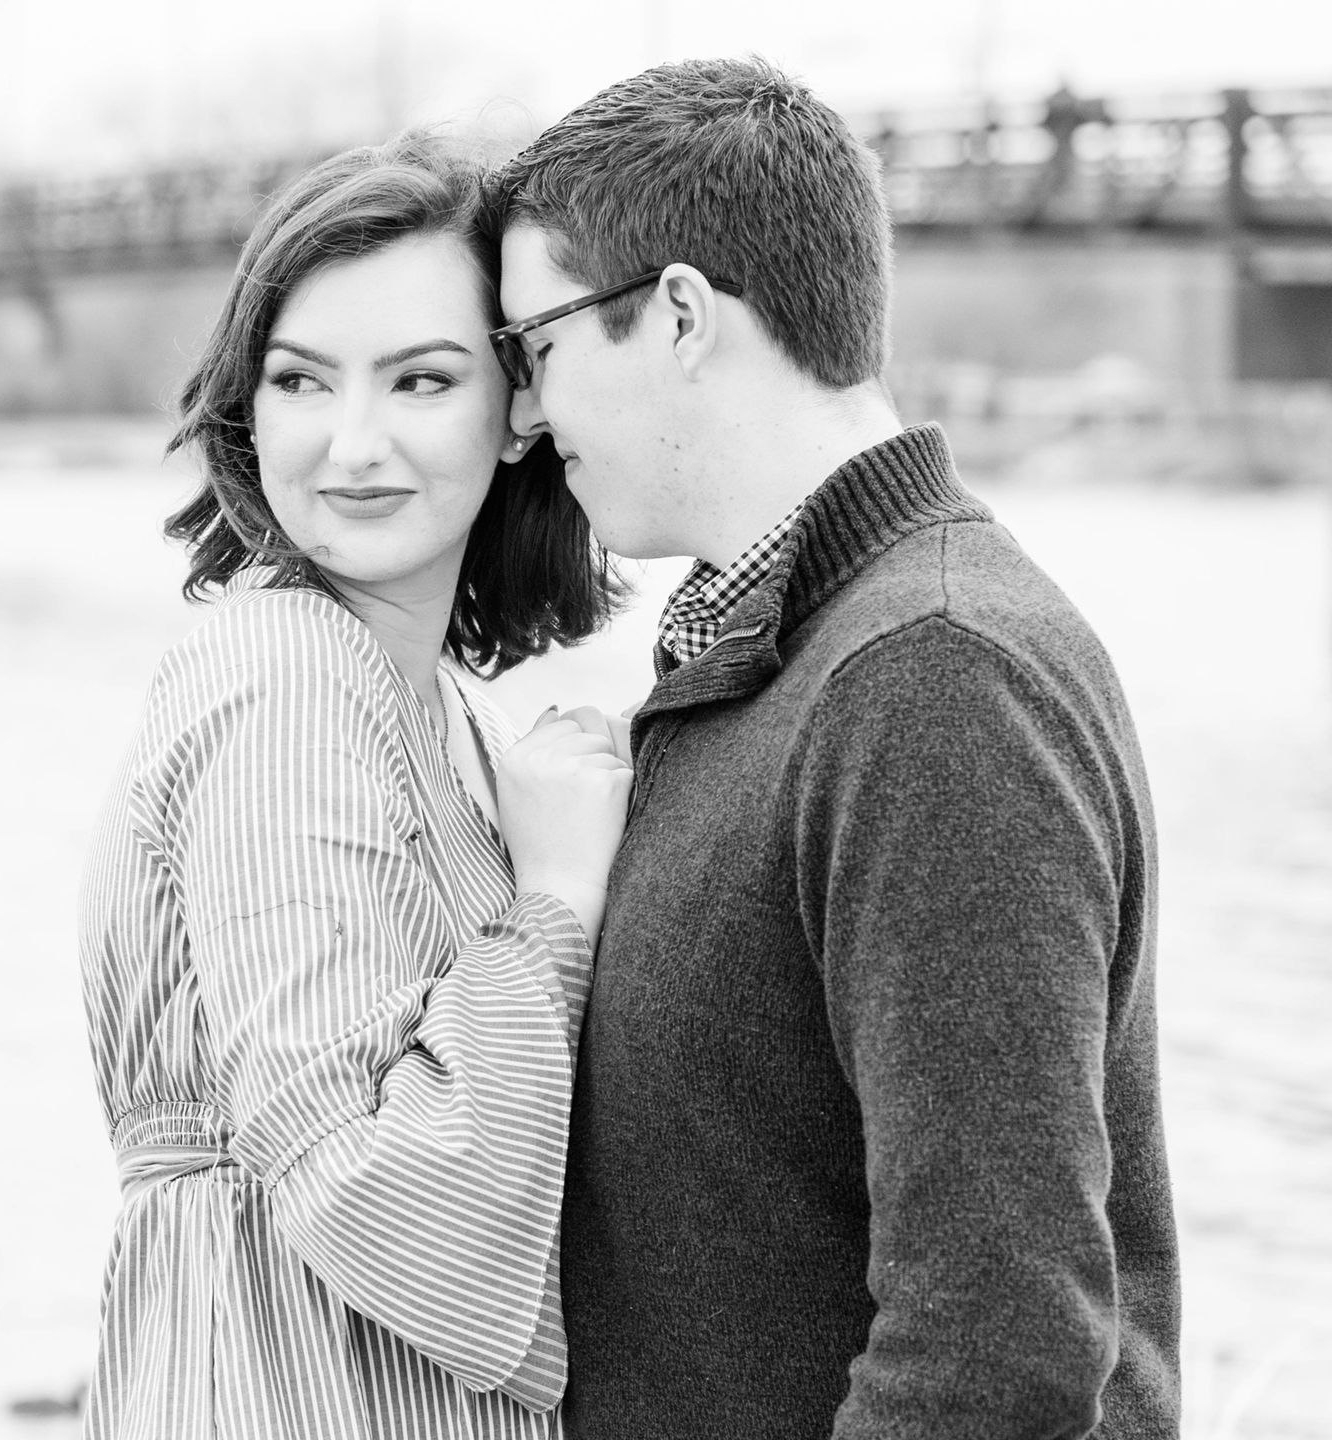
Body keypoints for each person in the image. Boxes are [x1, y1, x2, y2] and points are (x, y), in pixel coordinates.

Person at [486, 59, 1181, 1438]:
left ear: (680, 315)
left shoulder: (932, 680)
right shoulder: (810, 660)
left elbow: (994, 1347)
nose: (521, 415)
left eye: (535, 349)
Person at [80, 133, 631, 1438]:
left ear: (519, 408)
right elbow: (369, 1186)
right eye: (301, 381)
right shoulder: (285, 673)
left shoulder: (439, 708)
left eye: (421, 380)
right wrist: (557, 902)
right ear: (248, 406)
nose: (352, 444)